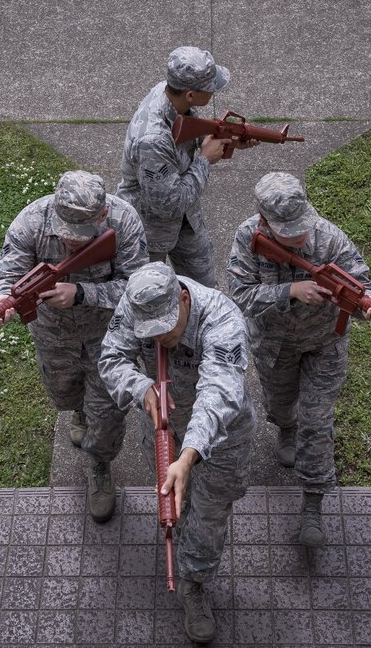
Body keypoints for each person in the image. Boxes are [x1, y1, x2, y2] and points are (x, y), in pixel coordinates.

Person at [225, 172, 371, 548]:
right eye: (287, 232)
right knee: (280, 404)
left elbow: (361, 282)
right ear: (265, 223)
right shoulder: (247, 238)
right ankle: (284, 427)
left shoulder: (328, 237)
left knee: (316, 421)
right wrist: (290, 290)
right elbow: (239, 294)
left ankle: (313, 504)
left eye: (300, 228)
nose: (299, 237)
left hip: (323, 344)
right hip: (274, 345)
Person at [99, 262, 254, 644]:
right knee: (175, 505)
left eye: (167, 328)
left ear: (183, 298)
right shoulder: (135, 303)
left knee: (210, 513)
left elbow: (218, 393)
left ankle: (194, 583)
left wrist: (187, 456)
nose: (161, 339)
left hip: (219, 435)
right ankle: (179, 538)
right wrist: (140, 388)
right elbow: (111, 359)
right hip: (161, 423)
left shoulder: (222, 318)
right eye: (150, 333)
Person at [0, 170, 148, 523]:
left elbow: (138, 288)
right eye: (66, 234)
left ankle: (99, 463)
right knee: (64, 393)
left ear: (103, 216)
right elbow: (8, 273)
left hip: (110, 336)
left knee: (107, 411)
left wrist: (82, 293)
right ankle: (79, 411)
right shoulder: (31, 221)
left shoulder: (125, 222)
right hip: (53, 336)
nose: (72, 242)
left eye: (82, 236)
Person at [117, 45, 255, 288]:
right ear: (190, 94)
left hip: (186, 221)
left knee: (204, 289)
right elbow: (169, 205)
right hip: (149, 231)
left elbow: (184, 134)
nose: (214, 92)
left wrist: (224, 139)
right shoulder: (152, 140)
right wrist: (204, 159)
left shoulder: (170, 92)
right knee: (149, 296)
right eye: (210, 88)